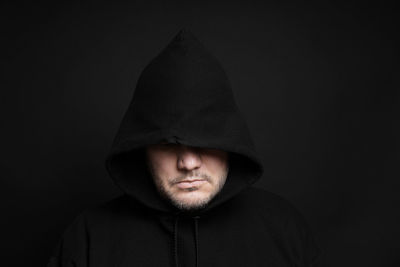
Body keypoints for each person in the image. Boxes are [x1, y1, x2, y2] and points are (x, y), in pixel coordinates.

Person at [47, 28, 322, 267]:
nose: (188, 163)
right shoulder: (88, 238)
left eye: (206, 140)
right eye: (168, 144)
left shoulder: (284, 230)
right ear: (142, 147)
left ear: (230, 142)